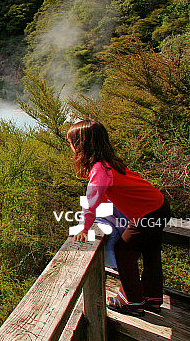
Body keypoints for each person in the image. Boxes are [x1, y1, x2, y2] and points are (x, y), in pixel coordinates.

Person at [67, 119, 171, 315]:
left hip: (147, 213)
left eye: (72, 143)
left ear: (82, 145)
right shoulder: (111, 163)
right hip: (160, 205)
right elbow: (107, 197)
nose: (71, 148)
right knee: (151, 251)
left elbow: (92, 201)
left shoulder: (99, 169)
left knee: (123, 250)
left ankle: (131, 301)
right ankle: (153, 298)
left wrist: (84, 227)